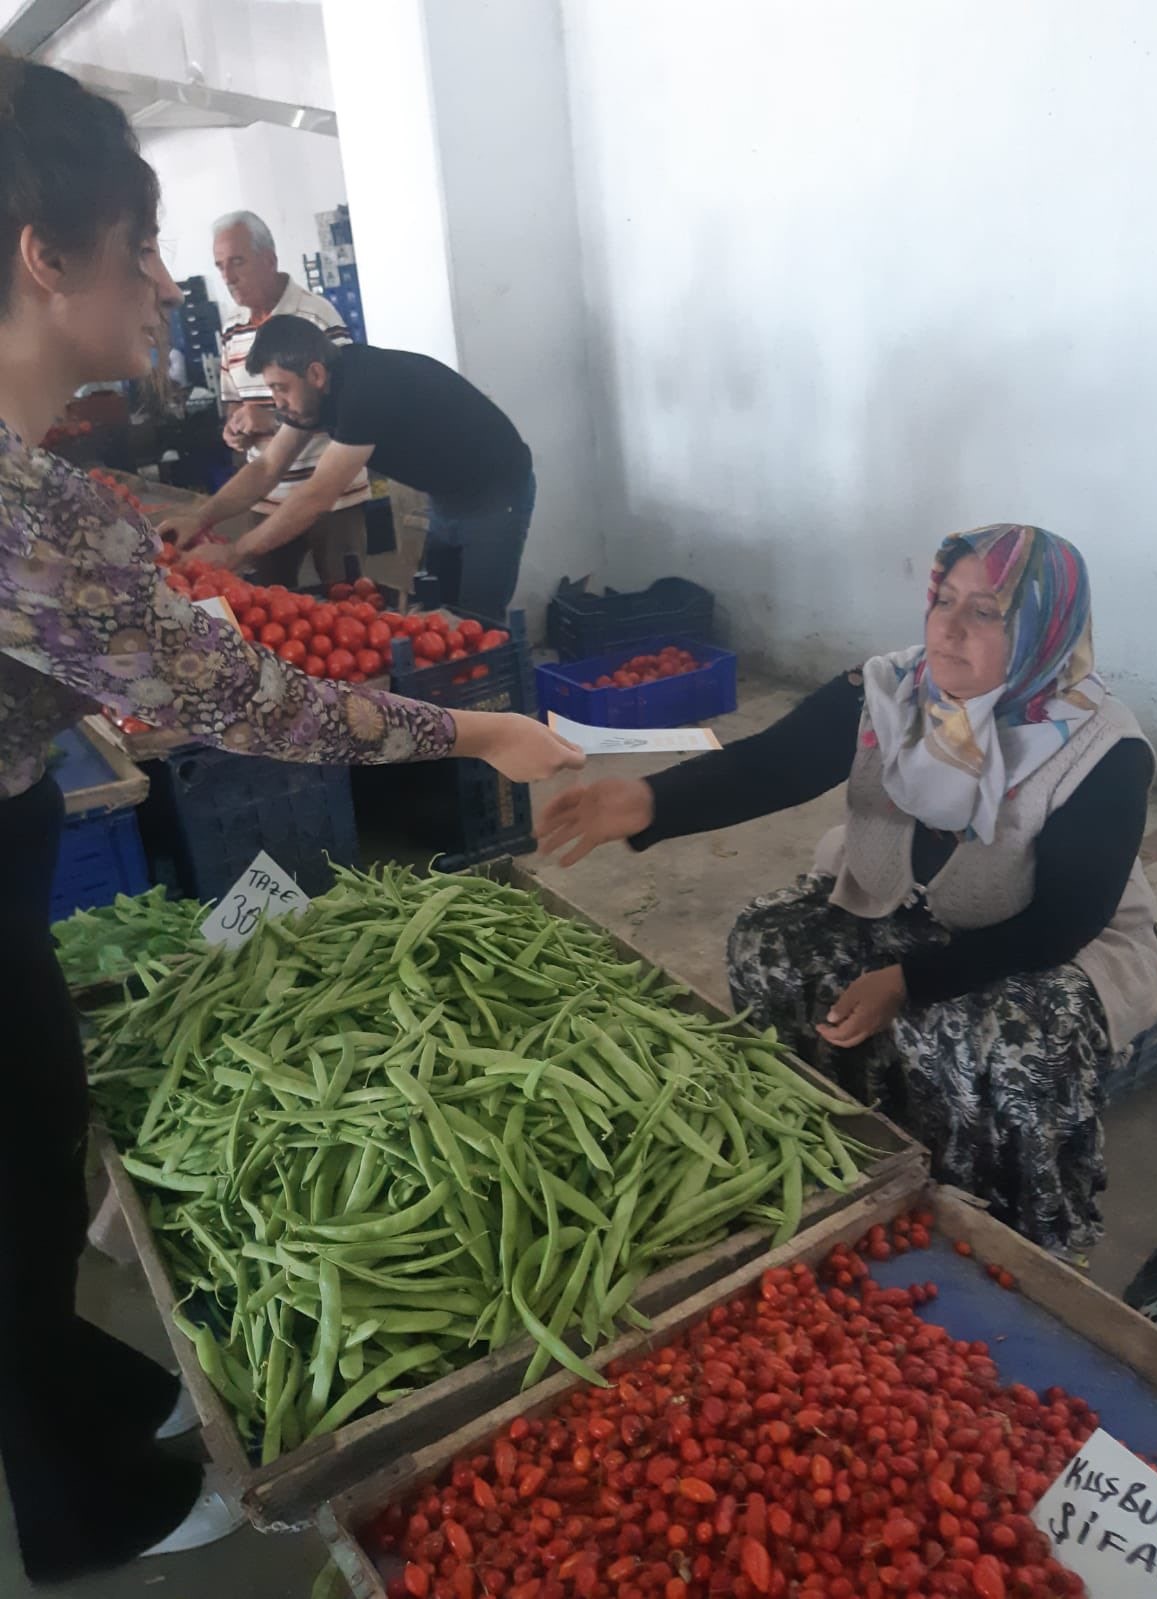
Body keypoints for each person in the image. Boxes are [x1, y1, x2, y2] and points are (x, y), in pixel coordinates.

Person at [0, 59, 582, 1585]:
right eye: (138, 244)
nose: (167, 278)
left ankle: (94, 1425)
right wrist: (470, 724)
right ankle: (83, 1508)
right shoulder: (30, 508)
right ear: (40, 257)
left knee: (36, 1129)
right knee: (12, 1169)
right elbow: (243, 700)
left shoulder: (45, 484)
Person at [539, 525, 1157, 1256]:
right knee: (768, 946)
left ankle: (1008, 1234)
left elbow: (1066, 919)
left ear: (1043, 631)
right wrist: (651, 802)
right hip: (901, 902)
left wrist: (908, 980)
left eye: (987, 611)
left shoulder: (1100, 749)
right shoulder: (892, 692)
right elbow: (775, 763)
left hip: (1044, 945)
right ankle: (841, 1156)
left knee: (998, 1041)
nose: (949, 627)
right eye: (944, 599)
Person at [159, 315, 535, 620]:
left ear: (316, 374)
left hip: (496, 491)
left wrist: (234, 553)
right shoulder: (315, 395)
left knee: (479, 623)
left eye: (280, 388)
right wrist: (201, 517)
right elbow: (267, 467)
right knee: (442, 610)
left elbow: (318, 494)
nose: (277, 402)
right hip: (448, 496)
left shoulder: (363, 389)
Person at [211, 210, 371, 588]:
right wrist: (235, 427)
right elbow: (234, 400)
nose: (228, 277)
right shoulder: (232, 327)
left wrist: (271, 421)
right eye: (219, 266)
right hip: (266, 498)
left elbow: (346, 410)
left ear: (269, 259)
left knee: (348, 605)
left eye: (237, 262)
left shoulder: (315, 318)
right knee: (270, 611)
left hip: (332, 501)